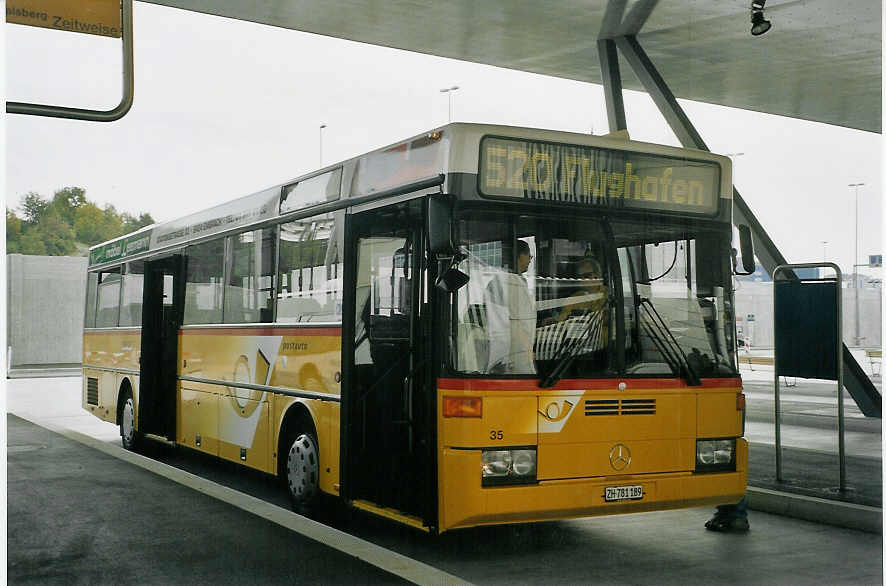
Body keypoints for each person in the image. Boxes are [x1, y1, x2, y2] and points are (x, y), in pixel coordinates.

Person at [484, 240, 537, 374]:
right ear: (520, 256)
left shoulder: (500, 280)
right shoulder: (511, 281)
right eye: (529, 256)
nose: (530, 261)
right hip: (516, 348)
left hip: (505, 346)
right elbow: (517, 321)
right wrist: (527, 349)